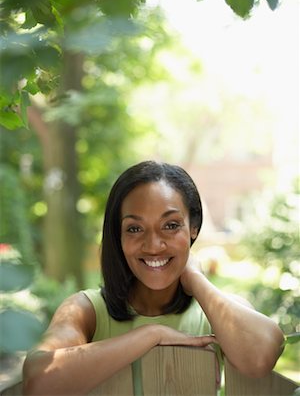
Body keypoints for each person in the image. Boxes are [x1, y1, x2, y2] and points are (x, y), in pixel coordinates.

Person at [23, 160, 284, 395]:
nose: (153, 245)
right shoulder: (86, 310)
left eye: (170, 225)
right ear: (119, 235)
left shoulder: (217, 311)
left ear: (193, 228)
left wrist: (195, 279)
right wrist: (152, 334)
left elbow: (262, 355)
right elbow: (39, 380)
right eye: (135, 228)